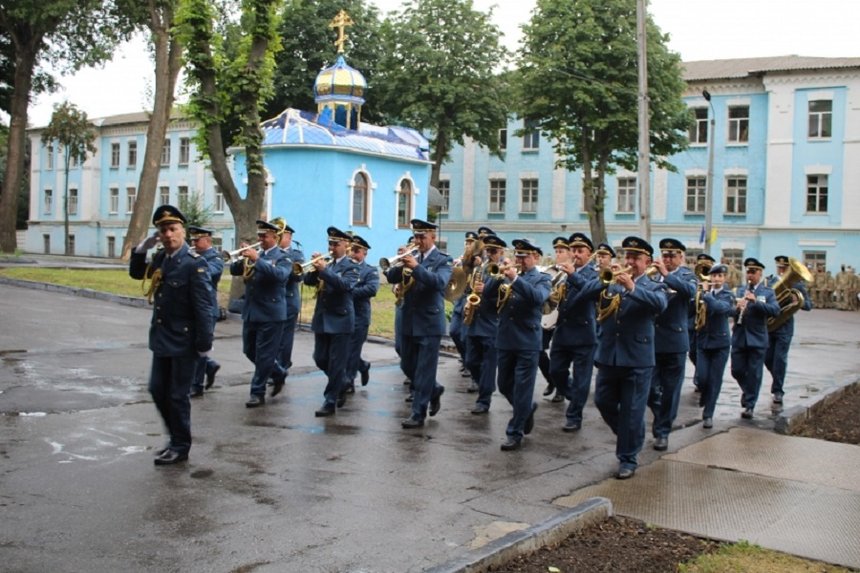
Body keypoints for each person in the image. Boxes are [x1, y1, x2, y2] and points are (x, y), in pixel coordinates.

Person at [129, 205, 214, 465]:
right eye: (163, 230)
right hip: (162, 338)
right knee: (157, 389)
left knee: (177, 395)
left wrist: (203, 345)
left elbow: (204, 307)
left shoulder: (194, 264)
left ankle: (180, 445)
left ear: (183, 232)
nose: (167, 234)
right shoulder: (161, 259)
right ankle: (174, 436)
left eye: (172, 229)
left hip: (184, 341)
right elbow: (136, 273)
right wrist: (141, 249)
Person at [577, 236, 668, 478]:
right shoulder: (612, 282)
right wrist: (603, 277)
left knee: (632, 409)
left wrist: (632, 287)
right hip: (609, 355)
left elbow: (660, 305)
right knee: (603, 401)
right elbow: (585, 294)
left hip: (637, 358)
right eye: (627, 256)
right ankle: (631, 436)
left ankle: (627, 458)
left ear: (647, 261)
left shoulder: (654, 285)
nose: (630, 262)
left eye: (636, 258)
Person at [385, 219, 452, 429]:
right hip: (408, 319)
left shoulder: (444, 259)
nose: (418, 240)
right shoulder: (412, 256)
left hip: (429, 322)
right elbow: (391, 277)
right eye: (416, 236)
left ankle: (418, 413)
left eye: (422, 236)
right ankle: (433, 389)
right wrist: (399, 262)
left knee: (424, 370)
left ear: (433, 236)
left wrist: (416, 267)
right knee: (407, 364)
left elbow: (439, 283)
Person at [495, 239, 552, 450]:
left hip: (527, 341)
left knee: (522, 389)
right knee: (503, 385)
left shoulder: (542, 279)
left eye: (524, 256)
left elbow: (538, 298)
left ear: (535, 257)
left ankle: (515, 432)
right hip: (505, 338)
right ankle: (526, 409)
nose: (520, 259)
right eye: (517, 255)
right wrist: (496, 278)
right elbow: (492, 296)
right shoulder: (506, 274)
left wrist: (515, 279)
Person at [231, 220, 291, 408]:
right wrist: (241, 257)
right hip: (252, 310)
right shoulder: (256, 255)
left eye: (264, 236)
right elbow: (235, 270)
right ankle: (278, 372)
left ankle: (257, 392)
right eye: (260, 236)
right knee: (249, 350)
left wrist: (257, 259)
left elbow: (280, 276)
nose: (261, 239)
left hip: (271, 313)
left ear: (275, 237)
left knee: (264, 355)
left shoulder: (283, 257)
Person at [304, 227, 360, 416]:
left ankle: (330, 401)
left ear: (347, 245)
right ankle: (342, 382)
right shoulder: (327, 263)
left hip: (341, 319)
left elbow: (345, 286)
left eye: (336, 244)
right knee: (320, 358)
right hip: (323, 318)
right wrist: (314, 267)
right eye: (330, 244)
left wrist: (324, 270)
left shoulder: (352, 266)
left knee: (336, 363)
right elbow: (309, 281)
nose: (332, 247)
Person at [649, 239, 698, 451]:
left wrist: (668, 276)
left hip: (675, 342)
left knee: (670, 390)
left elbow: (689, 292)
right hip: (652, 341)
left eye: (672, 256)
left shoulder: (687, 275)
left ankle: (662, 431)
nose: (667, 259)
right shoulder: (653, 276)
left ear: (681, 257)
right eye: (665, 255)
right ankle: (662, 416)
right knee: (649, 389)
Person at [549, 232, 598, 432]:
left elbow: (590, 291)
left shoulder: (594, 274)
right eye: (573, 250)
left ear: (590, 254)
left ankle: (574, 416)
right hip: (562, 332)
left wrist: (572, 274)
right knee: (555, 371)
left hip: (583, 334)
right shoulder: (562, 273)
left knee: (581, 378)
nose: (576, 254)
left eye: (580, 251)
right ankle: (575, 395)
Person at [730, 257, 780, 419]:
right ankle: (747, 390)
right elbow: (730, 310)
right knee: (736, 370)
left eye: (753, 272)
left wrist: (756, 301)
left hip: (757, 339)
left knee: (754, 373)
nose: (750, 275)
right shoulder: (739, 291)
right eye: (748, 272)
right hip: (739, 336)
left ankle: (750, 404)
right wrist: (735, 308)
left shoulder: (767, 292)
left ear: (760, 273)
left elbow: (774, 310)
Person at [463, 234, 505, 414]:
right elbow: (469, 288)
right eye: (488, 250)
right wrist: (469, 296)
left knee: (488, 365)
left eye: (493, 251)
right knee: (471, 361)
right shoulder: (482, 267)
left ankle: (484, 399)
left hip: (492, 323)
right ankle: (484, 387)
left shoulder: (504, 269)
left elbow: (503, 295)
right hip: (475, 322)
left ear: (501, 251)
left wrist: (485, 290)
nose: (489, 254)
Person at [764, 255, 813, 404]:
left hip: (785, 327)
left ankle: (778, 390)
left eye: (785, 268)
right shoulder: (769, 282)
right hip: (769, 325)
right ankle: (778, 378)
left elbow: (809, 305)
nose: (782, 270)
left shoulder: (797, 285)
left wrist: (799, 301)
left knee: (780, 358)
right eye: (780, 268)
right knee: (767, 358)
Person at [694, 264, 735, 428]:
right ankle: (705, 393)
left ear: (724, 278)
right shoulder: (703, 293)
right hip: (703, 341)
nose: (716, 279)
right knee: (702, 377)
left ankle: (708, 414)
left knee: (715, 379)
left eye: (719, 276)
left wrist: (706, 295)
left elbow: (720, 308)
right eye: (713, 276)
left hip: (720, 343)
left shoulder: (727, 295)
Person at [187, 225, 223, 398]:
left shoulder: (215, 258)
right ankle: (209, 365)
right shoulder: (193, 256)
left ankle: (197, 384)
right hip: (191, 307)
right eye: (192, 240)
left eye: (197, 240)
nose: (193, 243)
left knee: (201, 345)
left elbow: (207, 274)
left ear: (208, 240)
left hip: (207, 308)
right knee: (189, 345)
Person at [271, 218, 304, 393]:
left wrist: (279, 265)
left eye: (280, 234)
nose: (276, 236)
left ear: (289, 236)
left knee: (285, 338)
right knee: (273, 337)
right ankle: (275, 367)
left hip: (289, 299)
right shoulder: (268, 252)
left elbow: (298, 277)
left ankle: (282, 366)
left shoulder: (296, 255)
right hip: (272, 301)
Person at [345, 234, 379, 392]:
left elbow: (371, 289)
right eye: (351, 249)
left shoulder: (370, 270)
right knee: (344, 350)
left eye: (357, 251)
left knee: (352, 349)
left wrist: (347, 291)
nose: (352, 253)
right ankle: (363, 366)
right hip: (343, 314)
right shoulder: (344, 267)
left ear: (365, 253)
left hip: (359, 316)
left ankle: (349, 380)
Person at [540, 236, 572, 402]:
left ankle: (561, 387)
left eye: (562, 251)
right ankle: (551, 380)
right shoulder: (551, 271)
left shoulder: (572, 272)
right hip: (549, 316)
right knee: (538, 350)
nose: (558, 254)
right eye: (557, 251)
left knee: (560, 357)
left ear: (570, 253)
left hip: (563, 319)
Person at [450, 231, 480, 385]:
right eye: (467, 243)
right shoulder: (462, 260)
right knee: (454, 332)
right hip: (460, 299)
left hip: (472, 298)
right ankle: (465, 357)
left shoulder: (480, 261)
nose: (468, 245)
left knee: (465, 336)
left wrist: (479, 265)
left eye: (471, 243)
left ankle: (471, 365)